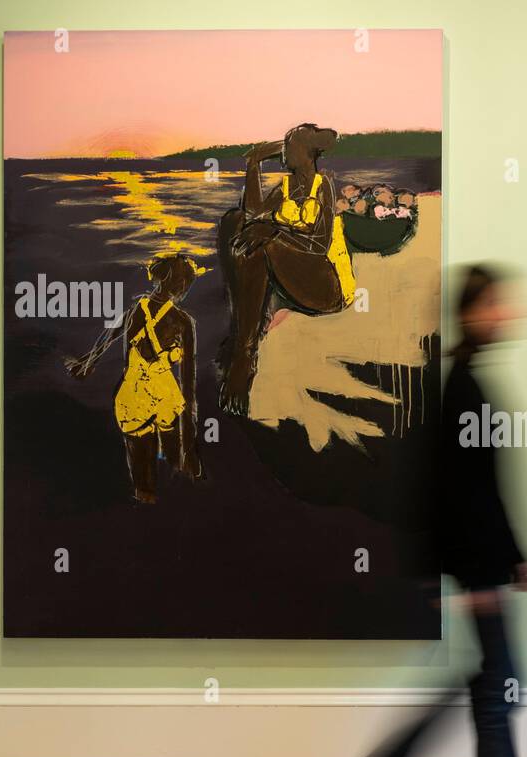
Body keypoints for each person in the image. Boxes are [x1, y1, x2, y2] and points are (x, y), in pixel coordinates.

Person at [340, 264, 527, 757]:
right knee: (499, 686)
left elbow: (480, 486)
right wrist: (482, 574)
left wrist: (514, 555)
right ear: (472, 313)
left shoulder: (468, 379)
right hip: (477, 567)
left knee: (488, 682)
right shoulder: (463, 385)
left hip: (483, 563)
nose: (508, 313)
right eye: (497, 304)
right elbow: (452, 492)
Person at [216, 123, 357, 416]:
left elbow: (319, 245)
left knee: (262, 240)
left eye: (290, 146)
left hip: (327, 284)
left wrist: (275, 233)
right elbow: (253, 216)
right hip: (297, 279)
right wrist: (254, 163)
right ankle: (245, 342)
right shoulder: (286, 187)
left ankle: (245, 350)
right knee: (236, 221)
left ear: (307, 153)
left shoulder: (323, 187)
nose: (284, 151)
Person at [65, 253, 205, 503]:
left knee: (142, 481)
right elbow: (188, 385)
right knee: (176, 469)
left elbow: (106, 340)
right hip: (165, 399)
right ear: (182, 284)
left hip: (132, 397)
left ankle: (145, 506)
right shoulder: (183, 322)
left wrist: (85, 366)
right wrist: (191, 449)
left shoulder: (134, 310)